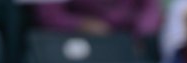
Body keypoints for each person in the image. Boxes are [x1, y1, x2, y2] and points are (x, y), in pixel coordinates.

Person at [32, 0, 162, 39]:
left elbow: (151, 10)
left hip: (126, 43)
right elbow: (49, 14)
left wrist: (142, 34)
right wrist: (81, 24)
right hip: (76, 45)